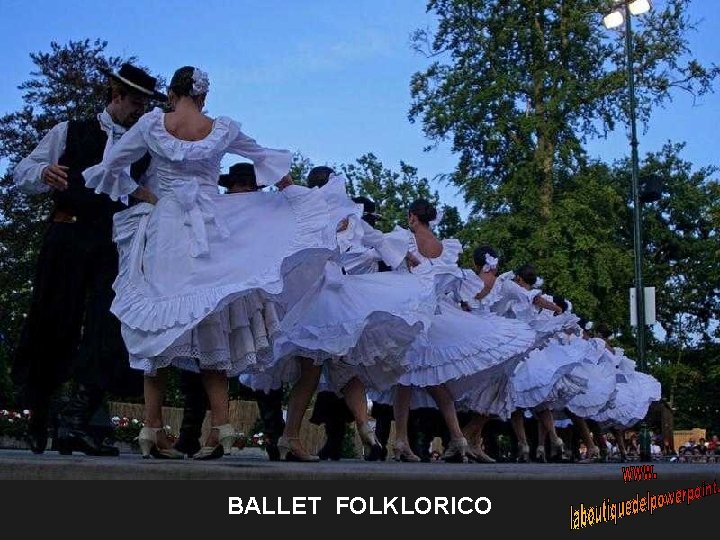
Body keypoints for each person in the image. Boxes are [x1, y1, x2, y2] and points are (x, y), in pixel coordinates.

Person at [82, 66, 354, 459]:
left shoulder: (151, 125)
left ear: (172, 94)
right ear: (204, 97)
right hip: (213, 228)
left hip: (167, 230)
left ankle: (151, 426)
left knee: (158, 322)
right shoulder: (221, 127)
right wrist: (299, 199)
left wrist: (148, 197)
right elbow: (267, 162)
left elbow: (111, 168)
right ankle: (223, 424)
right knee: (213, 316)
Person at [11, 63, 165, 455]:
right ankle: (39, 414)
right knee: (53, 320)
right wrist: (43, 172)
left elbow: (147, 192)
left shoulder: (143, 148)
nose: (140, 109)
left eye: (145, 103)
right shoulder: (71, 130)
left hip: (111, 243)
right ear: (115, 96)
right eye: (135, 101)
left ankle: (77, 420)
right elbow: (21, 171)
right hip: (67, 235)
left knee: (107, 326)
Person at [172, 162, 285, 460]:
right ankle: (192, 435)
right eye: (242, 185)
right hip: (210, 290)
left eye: (252, 186)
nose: (247, 190)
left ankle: (271, 436)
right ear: (230, 186)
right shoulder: (217, 207)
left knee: (254, 371)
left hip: (244, 294)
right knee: (201, 362)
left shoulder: (262, 215)